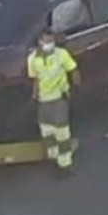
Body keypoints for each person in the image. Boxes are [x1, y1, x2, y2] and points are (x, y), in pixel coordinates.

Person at [25, 28, 80, 175]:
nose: (49, 44)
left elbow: (73, 70)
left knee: (62, 133)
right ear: (39, 42)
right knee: (47, 132)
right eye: (46, 41)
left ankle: (65, 165)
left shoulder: (61, 55)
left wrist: (75, 88)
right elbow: (35, 80)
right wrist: (34, 96)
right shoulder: (32, 59)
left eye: (51, 41)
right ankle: (55, 159)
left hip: (58, 99)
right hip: (44, 101)